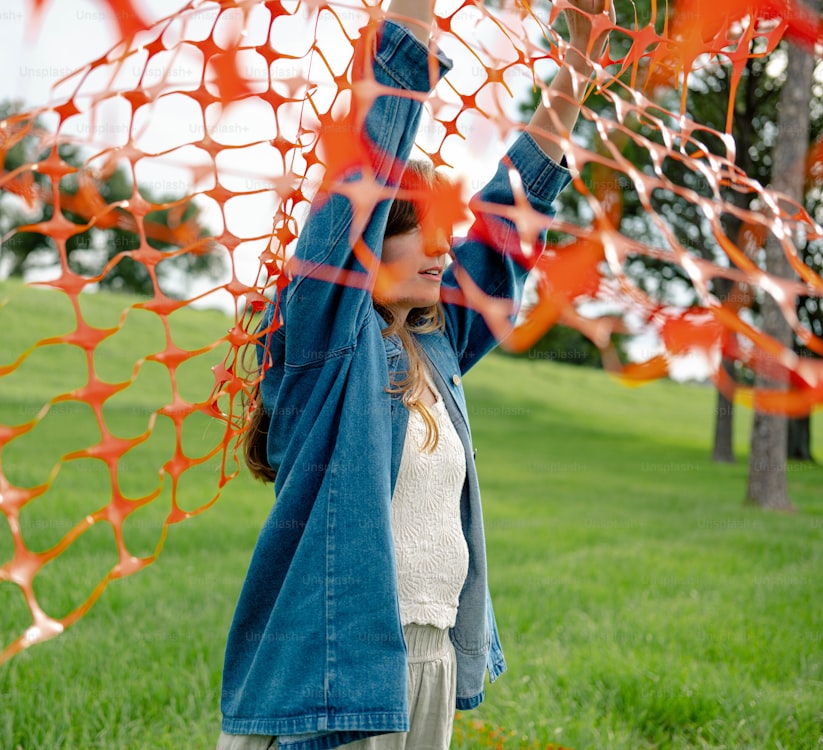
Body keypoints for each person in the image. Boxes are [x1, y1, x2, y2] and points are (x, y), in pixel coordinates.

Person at [217, 1, 611, 748]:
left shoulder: (436, 344)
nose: (442, 249)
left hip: (425, 662)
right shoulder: (327, 340)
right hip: (337, 670)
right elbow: (367, 157)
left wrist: (576, 70)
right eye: (418, 234)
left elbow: (509, 220)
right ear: (364, 248)